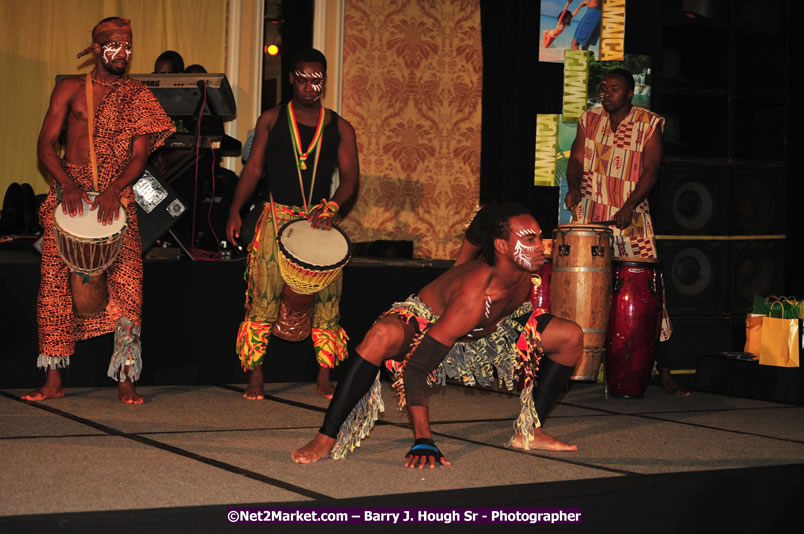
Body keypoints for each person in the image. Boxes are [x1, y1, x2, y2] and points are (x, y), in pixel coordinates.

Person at [292, 203, 583, 468]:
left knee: (570, 336)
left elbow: (482, 218)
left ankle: (531, 430)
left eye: (540, 236)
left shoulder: (523, 268)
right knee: (380, 335)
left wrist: (459, 263)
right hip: (430, 325)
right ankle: (326, 436)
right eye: (529, 239)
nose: (542, 246)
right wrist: (423, 439)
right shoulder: (474, 297)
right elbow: (416, 368)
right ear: (501, 246)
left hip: (493, 329)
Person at [22, 17, 174, 404]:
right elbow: (45, 145)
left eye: (127, 47)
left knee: (128, 287)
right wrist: (68, 185)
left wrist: (114, 190)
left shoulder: (138, 95)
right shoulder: (69, 88)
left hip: (117, 194)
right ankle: (53, 378)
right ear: (96, 49)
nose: (122, 54)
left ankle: (125, 377)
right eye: (114, 46)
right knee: (54, 287)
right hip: (68, 189)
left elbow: (139, 156)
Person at [226, 48, 359, 400]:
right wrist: (235, 210)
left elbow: (350, 179)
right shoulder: (271, 119)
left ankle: (324, 375)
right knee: (263, 295)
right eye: (303, 78)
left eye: (317, 80)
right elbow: (253, 170)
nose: (310, 86)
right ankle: (255, 374)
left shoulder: (340, 127)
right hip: (276, 215)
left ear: (324, 82)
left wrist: (331, 207)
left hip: (320, 218)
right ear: (291, 79)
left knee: (328, 297)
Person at [565, 68, 689, 397]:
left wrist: (630, 206)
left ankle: (664, 373)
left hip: (631, 216)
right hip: (591, 214)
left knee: (650, 294)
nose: (606, 93)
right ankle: (576, 368)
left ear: (630, 93)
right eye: (603, 88)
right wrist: (573, 186)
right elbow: (576, 159)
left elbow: (651, 169)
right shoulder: (588, 119)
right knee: (586, 292)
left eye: (614, 89)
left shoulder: (649, 124)